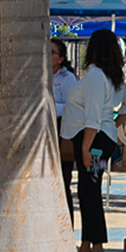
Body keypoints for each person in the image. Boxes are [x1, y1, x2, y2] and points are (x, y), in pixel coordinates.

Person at [60, 29, 126, 252]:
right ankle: (87, 246)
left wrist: (85, 146)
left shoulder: (94, 75)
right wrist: (113, 124)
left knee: (90, 194)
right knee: (87, 192)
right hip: (100, 138)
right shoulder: (112, 76)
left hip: (91, 140)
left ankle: (98, 251)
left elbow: (92, 115)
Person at [51, 39, 79, 223]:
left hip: (62, 129)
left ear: (61, 58)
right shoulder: (37, 75)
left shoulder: (67, 78)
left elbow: (72, 105)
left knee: (62, 180)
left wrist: (50, 107)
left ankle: (65, 222)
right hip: (43, 129)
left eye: (52, 52)